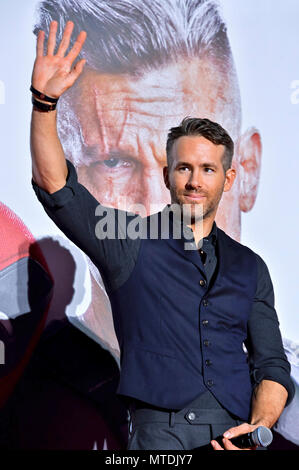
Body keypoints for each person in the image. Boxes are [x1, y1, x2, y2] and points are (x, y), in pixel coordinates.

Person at [29, 21, 294, 450]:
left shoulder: (251, 267)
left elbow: (271, 367)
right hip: (158, 442)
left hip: (236, 438)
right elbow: (56, 187)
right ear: (171, 175)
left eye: (207, 169)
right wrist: (45, 104)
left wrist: (257, 431)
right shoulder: (127, 240)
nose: (194, 181)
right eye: (184, 168)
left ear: (231, 177)